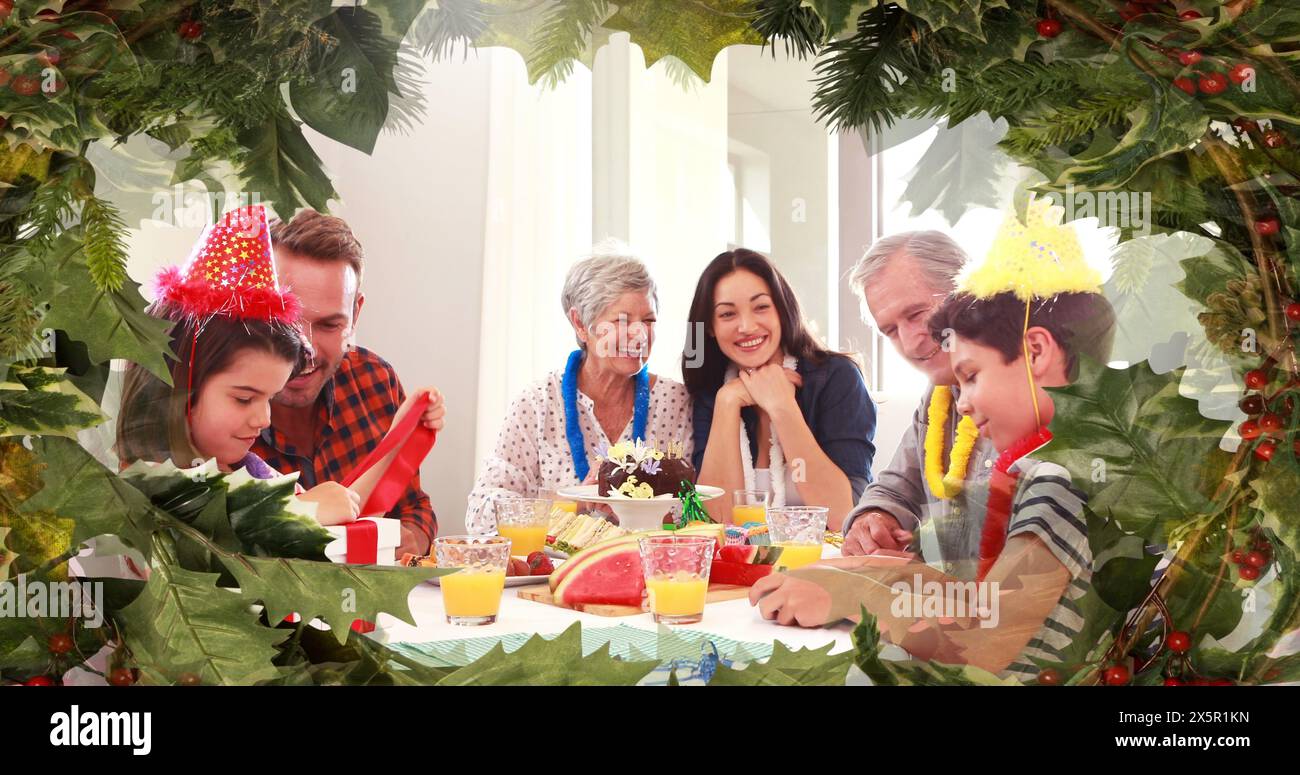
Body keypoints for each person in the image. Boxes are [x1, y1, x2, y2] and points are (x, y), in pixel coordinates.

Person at [748, 201, 1117, 680]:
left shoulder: (1062, 466)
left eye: (972, 375)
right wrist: (869, 556)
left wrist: (854, 591)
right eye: (889, 330)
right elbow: (899, 497)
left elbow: (993, 629)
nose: (909, 341)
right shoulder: (944, 400)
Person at [117, 206, 444, 530]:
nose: (263, 418)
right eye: (244, 398)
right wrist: (299, 509)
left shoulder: (251, 470)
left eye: (330, 324)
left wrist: (398, 434)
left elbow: (345, 513)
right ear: (181, 386)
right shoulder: (154, 482)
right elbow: (211, 528)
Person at [250, 210, 440, 557]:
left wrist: (406, 541)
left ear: (355, 316)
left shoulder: (374, 380)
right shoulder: (223, 410)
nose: (304, 350)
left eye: (328, 326)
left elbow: (414, 508)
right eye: (286, 319)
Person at [465, 246, 693, 533]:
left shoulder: (676, 402)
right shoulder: (537, 403)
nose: (640, 334)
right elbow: (481, 511)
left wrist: (639, 509)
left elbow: (698, 512)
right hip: (554, 574)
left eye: (648, 320)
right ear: (580, 323)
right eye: (621, 320)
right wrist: (574, 499)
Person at [841, 232, 998, 577]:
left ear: (966, 291)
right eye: (891, 331)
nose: (910, 344)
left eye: (916, 314)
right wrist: (874, 519)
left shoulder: (1027, 388)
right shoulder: (938, 394)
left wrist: (910, 569)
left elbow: (1008, 551)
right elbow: (895, 488)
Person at [684, 249, 874, 529]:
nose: (747, 326)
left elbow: (842, 515)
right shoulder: (713, 392)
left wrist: (782, 406)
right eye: (727, 314)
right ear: (710, 327)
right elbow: (717, 521)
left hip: (823, 563)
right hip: (742, 565)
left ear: (782, 310)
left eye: (761, 307)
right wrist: (727, 403)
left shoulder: (837, 378)